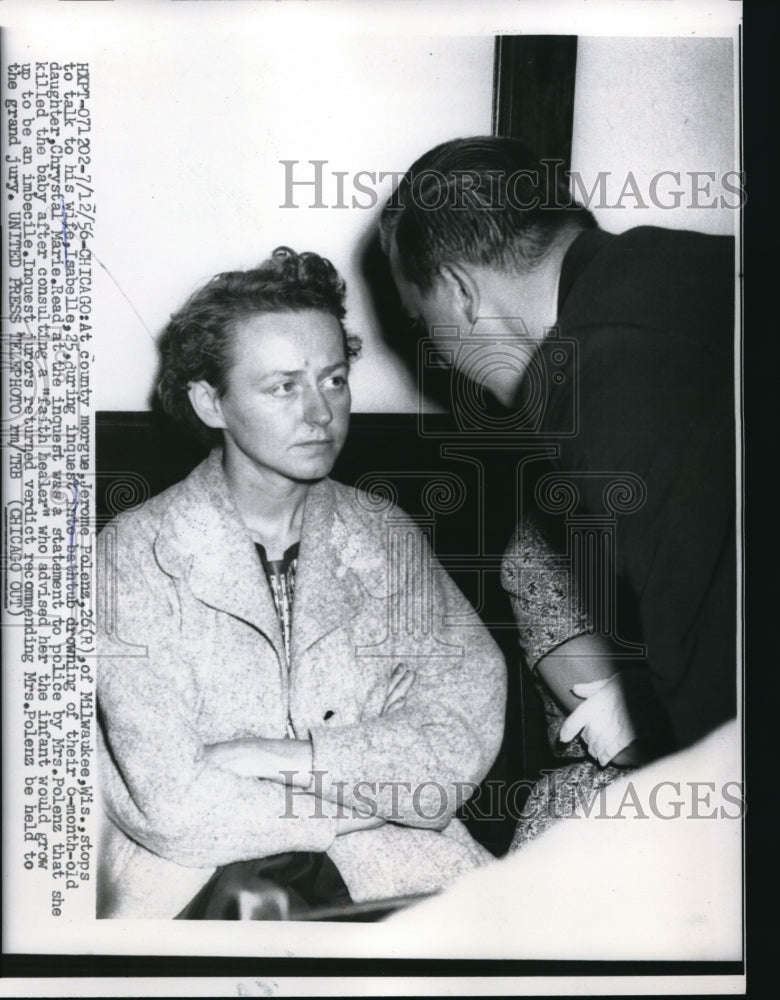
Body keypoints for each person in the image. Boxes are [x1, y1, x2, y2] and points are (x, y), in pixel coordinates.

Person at [96, 247, 507, 918]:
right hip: (194, 889)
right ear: (210, 402)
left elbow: (452, 754)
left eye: (335, 379)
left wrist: (268, 756)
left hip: (394, 873)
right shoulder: (134, 555)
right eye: (284, 385)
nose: (321, 412)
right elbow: (172, 805)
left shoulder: (386, 536)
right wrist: (373, 777)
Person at [380, 136, 736, 809]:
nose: (439, 356)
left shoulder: (598, 386)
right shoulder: (688, 264)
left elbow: (717, 709)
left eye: (423, 325)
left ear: (460, 292)